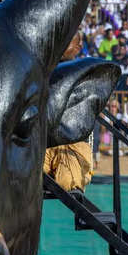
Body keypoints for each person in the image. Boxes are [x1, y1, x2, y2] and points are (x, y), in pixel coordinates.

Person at [43, 34, 93, 193]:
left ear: (77, 48)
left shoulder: (84, 73)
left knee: (66, 181)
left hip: (72, 145)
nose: (61, 46)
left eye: (66, 43)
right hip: (46, 144)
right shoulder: (45, 69)